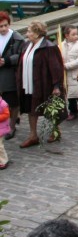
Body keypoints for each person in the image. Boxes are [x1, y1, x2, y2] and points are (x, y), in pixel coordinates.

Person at [17, 21, 66, 148]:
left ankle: (55, 131)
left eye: (29, 31)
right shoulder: (27, 45)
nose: (27, 34)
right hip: (28, 84)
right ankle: (33, 135)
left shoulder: (49, 47)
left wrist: (56, 86)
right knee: (30, 109)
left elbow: (56, 67)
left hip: (44, 83)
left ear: (37, 33)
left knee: (49, 109)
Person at [0, 11, 25, 140]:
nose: (3, 28)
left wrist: (6, 61)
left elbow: (21, 55)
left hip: (10, 73)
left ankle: (12, 126)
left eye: (5, 25)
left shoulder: (17, 38)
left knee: (12, 102)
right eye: (1, 26)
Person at [61, 25, 78, 121]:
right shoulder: (61, 45)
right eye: (73, 34)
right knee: (70, 96)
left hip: (76, 74)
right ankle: (73, 111)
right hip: (65, 75)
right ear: (66, 35)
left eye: (77, 34)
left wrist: (66, 65)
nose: (76, 36)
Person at [0, 94, 10, 169]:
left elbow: (6, 115)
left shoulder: (3, 104)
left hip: (1, 129)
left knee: (0, 146)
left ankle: (4, 160)